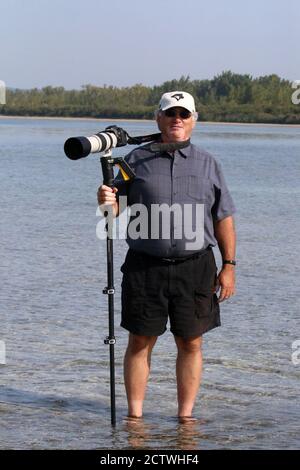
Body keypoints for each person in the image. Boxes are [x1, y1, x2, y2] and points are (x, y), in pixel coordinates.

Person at [97, 91, 236, 421]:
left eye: (184, 114)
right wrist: (105, 199)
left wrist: (229, 265)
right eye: (170, 113)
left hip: (196, 267)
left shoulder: (209, 164)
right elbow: (113, 211)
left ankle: (185, 418)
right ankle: (135, 418)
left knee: (191, 343)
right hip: (145, 267)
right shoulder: (133, 160)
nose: (177, 119)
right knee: (140, 341)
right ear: (157, 118)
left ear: (194, 121)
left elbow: (224, 217)